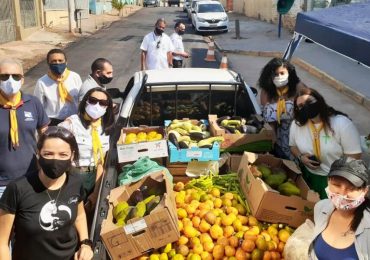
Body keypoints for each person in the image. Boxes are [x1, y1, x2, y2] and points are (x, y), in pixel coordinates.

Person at [0, 126, 93, 260]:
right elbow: (2, 242)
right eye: (48, 154)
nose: (55, 160)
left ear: (72, 155)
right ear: (38, 153)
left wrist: (85, 243)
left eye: (63, 154)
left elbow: (80, 215)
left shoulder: (75, 182)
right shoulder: (17, 188)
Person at [289, 87, 362, 199]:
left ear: (319, 100)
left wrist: (338, 181)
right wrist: (301, 157)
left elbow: (354, 157)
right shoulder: (297, 124)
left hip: (336, 181)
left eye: (309, 102)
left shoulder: (341, 123)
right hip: (307, 176)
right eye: (300, 106)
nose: (305, 107)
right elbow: (292, 146)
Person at [59, 88, 114, 214]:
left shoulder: (105, 128)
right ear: (85, 102)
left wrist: (95, 193)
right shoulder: (70, 124)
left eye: (102, 103)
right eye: (93, 101)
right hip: (72, 177)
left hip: (93, 178)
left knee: (88, 217)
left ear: (107, 107)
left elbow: (101, 162)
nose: (97, 105)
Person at [0, 58, 49, 199]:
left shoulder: (33, 103)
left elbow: (44, 133)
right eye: (4, 76)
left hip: (31, 179)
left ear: (22, 80)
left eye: (15, 76)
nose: (10, 80)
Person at [308, 156, 370, 259]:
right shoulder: (321, 208)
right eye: (336, 185)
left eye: (351, 188)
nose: (342, 194)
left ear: (365, 191)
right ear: (328, 181)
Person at [258, 57, 306, 160]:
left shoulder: (298, 87)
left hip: (298, 137)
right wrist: (272, 141)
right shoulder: (266, 91)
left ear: (289, 72)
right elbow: (269, 121)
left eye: (282, 73)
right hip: (278, 139)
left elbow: (312, 105)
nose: (279, 76)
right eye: (275, 74)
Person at [34, 48, 82, 126]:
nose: (57, 63)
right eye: (54, 61)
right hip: (53, 122)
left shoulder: (75, 77)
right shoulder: (42, 82)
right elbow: (39, 107)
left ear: (66, 62)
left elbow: (81, 99)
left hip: (73, 121)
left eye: (60, 61)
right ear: (48, 63)